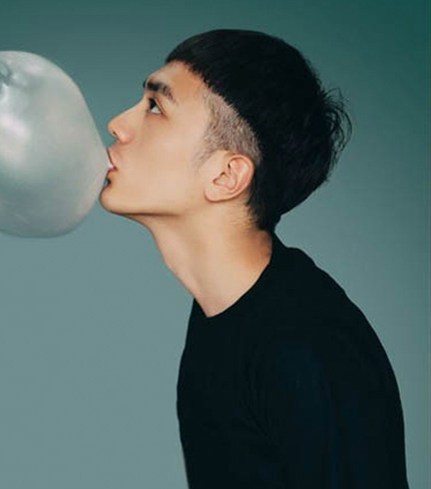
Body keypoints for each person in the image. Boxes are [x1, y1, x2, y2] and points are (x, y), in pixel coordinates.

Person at [98, 29, 410, 488]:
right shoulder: (223, 310)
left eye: (156, 107)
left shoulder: (307, 346)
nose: (118, 124)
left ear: (226, 176)